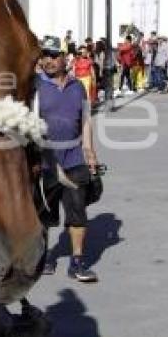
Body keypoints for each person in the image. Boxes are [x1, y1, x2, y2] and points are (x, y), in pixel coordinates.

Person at [36, 36, 100, 283]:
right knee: (43, 215)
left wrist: (90, 150)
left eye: (54, 55)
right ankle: (45, 256)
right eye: (45, 56)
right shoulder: (35, 86)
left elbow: (85, 120)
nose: (48, 60)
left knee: (77, 211)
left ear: (65, 58)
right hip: (44, 161)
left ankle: (77, 261)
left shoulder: (77, 87)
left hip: (74, 158)